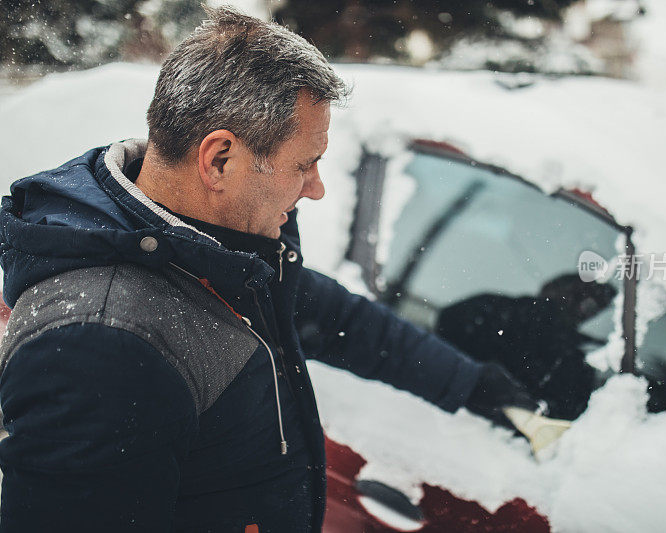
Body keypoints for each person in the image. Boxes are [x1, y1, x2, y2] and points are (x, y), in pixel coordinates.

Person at [0, 7, 539, 532]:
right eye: (305, 164)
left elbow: (335, 318)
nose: (317, 187)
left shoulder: (223, 250)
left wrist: (471, 385)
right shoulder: (104, 345)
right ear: (219, 160)